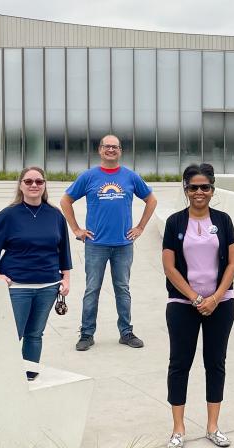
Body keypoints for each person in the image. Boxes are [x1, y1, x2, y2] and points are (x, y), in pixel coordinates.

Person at [161, 163, 234, 448]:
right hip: (182, 304)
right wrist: (196, 298)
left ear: (212, 189)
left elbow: (232, 262)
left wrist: (216, 297)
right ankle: (178, 428)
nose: (199, 192)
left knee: (215, 363)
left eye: (205, 187)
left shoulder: (224, 220)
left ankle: (213, 426)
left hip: (221, 304)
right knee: (179, 364)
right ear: (185, 189)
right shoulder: (175, 223)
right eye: (193, 187)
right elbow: (169, 266)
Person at [60, 134, 157, 351]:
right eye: (107, 146)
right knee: (92, 289)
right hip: (96, 244)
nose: (111, 150)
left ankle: (126, 332)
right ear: (100, 150)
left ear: (120, 151)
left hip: (123, 245)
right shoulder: (88, 177)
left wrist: (140, 227)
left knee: (122, 288)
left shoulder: (130, 177)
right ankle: (86, 334)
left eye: (115, 147)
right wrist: (76, 229)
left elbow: (151, 199)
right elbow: (66, 200)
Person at [0, 167, 73, 381]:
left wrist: (66, 278)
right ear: (20, 185)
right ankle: (4, 376)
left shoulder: (55, 215)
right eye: (28, 181)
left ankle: (29, 374)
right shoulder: (7, 216)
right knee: (13, 335)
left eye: (39, 181)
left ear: (45, 185)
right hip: (17, 287)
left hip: (48, 287)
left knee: (35, 334)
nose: (34, 185)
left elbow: (63, 250)